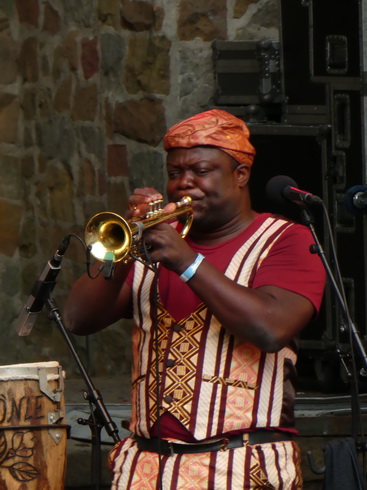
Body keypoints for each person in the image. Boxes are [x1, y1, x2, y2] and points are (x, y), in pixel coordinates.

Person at [64, 109, 326, 489]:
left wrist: (187, 262)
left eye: (201, 171)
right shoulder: (155, 244)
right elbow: (77, 318)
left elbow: (270, 328)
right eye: (174, 174)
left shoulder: (287, 241)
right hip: (145, 471)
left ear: (240, 175)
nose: (184, 183)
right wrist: (123, 251)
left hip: (242, 469)